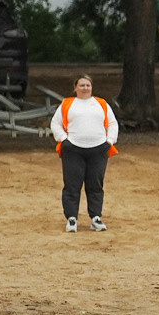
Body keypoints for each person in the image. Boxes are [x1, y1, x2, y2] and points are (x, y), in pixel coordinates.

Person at [50, 74, 118, 232]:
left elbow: (113, 123)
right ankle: (72, 219)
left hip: (98, 150)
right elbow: (55, 123)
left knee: (95, 184)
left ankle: (96, 218)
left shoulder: (101, 104)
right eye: (81, 85)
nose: (85, 88)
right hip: (73, 150)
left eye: (88, 85)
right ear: (75, 88)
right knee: (72, 184)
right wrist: (64, 140)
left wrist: (109, 141)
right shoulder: (67, 104)